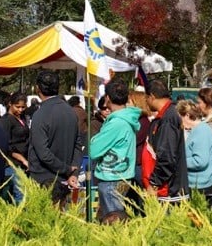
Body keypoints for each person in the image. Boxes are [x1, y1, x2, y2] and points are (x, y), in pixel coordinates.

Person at [27, 71, 83, 208]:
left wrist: (69, 170)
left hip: (44, 179)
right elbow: (78, 146)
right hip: (63, 177)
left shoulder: (40, 115)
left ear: (37, 88)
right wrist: (72, 171)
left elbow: (43, 153)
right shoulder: (70, 112)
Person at [89, 80, 140, 222]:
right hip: (121, 175)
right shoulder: (126, 119)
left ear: (108, 99)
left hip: (112, 178)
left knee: (114, 223)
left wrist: (95, 139)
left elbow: (94, 150)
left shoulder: (117, 123)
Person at [146, 79, 189, 200]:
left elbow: (167, 156)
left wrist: (154, 183)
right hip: (171, 187)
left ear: (152, 97)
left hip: (169, 189)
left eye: (146, 98)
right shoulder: (168, 114)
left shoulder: (168, 119)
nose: (146, 102)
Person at [178, 99, 212, 195]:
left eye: (179, 117)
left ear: (187, 115)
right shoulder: (198, 130)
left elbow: (200, 161)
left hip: (199, 185)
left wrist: (179, 161)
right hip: (197, 183)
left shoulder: (201, 131)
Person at [0, 93, 30, 203]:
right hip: (12, 164)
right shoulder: (5, 121)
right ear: (10, 104)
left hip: (22, 163)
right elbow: (7, 146)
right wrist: (23, 159)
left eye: (23, 107)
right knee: (18, 195)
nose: (20, 110)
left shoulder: (22, 118)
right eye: (17, 106)